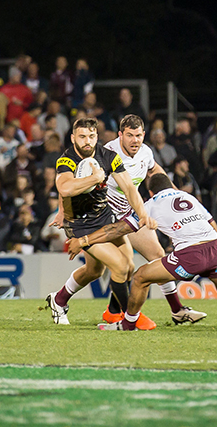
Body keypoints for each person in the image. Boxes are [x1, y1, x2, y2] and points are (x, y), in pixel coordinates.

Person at [68, 173, 217, 333]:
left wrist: (85, 240)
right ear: (172, 186)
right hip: (215, 248)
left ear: (150, 190)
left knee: (140, 278)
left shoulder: (151, 204)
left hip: (190, 254)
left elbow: (119, 229)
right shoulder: (188, 197)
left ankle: (128, 324)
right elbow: (214, 226)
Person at [44, 117, 157, 328]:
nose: (87, 141)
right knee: (121, 266)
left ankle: (58, 301)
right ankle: (130, 317)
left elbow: (130, 188)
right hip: (80, 224)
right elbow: (66, 188)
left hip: (105, 217)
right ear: (73, 138)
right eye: (82, 137)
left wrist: (142, 214)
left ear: (97, 136)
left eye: (92, 136)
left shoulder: (108, 156)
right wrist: (95, 178)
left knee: (97, 271)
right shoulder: (66, 160)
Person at [101, 114, 206, 325]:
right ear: (120, 135)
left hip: (131, 214)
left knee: (157, 256)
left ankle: (177, 310)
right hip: (107, 218)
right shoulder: (107, 153)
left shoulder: (146, 151)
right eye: (129, 135)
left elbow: (154, 168)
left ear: (144, 135)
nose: (135, 140)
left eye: (138, 135)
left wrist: (174, 192)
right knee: (104, 269)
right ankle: (62, 301)